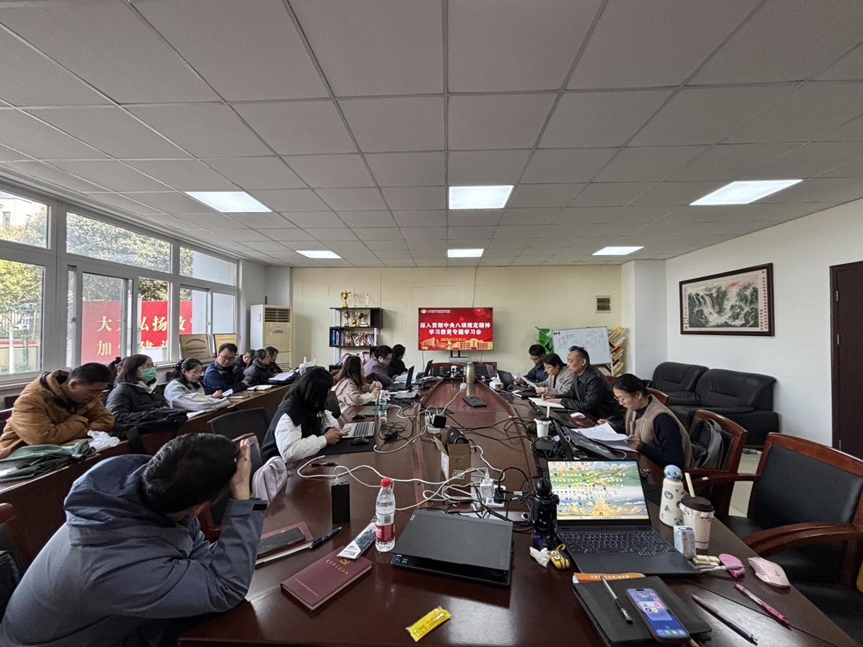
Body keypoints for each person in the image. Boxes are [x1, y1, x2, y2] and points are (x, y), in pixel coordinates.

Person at [0, 433, 266, 647]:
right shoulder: (114, 564)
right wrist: (242, 496)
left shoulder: (151, 492)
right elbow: (225, 589)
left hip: (115, 625)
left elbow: (199, 556)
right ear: (199, 507)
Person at [0, 363, 114, 459]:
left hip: (60, 454)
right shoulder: (30, 400)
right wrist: (80, 421)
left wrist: (66, 434)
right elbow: (43, 439)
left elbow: (107, 420)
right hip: (19, 458)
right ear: (73, 384)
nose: (98, 396)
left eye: (100, 391)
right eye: (94, 391)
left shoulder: (87, 396)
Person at [261, 368, 346, 464]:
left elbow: (325, 417)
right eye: (326, 394)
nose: (326, 397)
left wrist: (331, 430)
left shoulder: (309, 402)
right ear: (316, 394)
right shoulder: (291, 411)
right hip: (279, 468)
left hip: (301, 461)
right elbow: (290, 452)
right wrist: (324, 439)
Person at [612, 374, 692, 468]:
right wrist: (614, 427)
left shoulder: (662, 419)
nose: (620, 403)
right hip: (642, 461)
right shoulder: (634, 408)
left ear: (638, 395)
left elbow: (676, 460)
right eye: (618, 399)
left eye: (622, 399)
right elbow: (631, 430)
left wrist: (642, 447)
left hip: (662, 470)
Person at [543, 346, 619, 420]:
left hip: (604, 419)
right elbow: (571, 394)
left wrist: (561, 401)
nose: (567, 365)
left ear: (582, 362)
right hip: (588, 414)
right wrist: (554, 397)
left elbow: (587, 406)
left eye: (570, 361)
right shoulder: (577, 374)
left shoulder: (595, 379)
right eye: (567, 361)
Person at [105, 354, 172, 425]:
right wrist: (151, 415)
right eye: (146, 366)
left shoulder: (153, 387)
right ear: (134, 370)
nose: (151, 369)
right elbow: (117, 416)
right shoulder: (121, 391)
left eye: (152, 365)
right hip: (135, 428)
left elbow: (163, 405)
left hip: (158, 425)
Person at [164, 358, 230, 413]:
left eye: (200, 372)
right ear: (184, 371)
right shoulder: (173, 387)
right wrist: (215, 400)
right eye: (195, 372)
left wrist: (211, 397)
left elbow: (200, 399)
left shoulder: (195, 383)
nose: (198, 375)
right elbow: (188, 404)